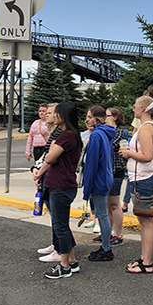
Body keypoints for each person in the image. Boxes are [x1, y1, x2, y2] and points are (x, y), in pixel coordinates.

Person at [33, 102, 82, 279]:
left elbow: (51, 157)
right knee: (63, 226)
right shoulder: (69, 134)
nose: (53, 115)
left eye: (56, 113)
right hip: (62, 184)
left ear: (63, 116)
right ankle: (73, 261)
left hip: (61, 186)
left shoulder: (66, 135)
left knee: (60, 226)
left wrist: (40, 170)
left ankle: (64, 266)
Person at [120, 96, 153, 273]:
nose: (133, 109)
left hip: (144, 178)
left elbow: (147, 156)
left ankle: (148, 262)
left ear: (143, 109)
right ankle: (144, 258)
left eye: (135, 106)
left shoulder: (145, 129)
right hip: (141, 178)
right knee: (143, 220)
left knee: (146, 220)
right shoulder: (148, 127)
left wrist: (129, 153)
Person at [83, 106, 116, 262]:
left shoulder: (96, 136)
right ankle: (105, 246)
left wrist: (86, 189)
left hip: (99, 180)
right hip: (105, 177)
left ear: (97, 118)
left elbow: (92, 164)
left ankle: (106, 249)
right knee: (103, 214)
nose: (87, 119)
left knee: (102, 214)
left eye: (89, 117)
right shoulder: (105, 133)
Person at [105, 107, 127, 246]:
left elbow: (111, 145)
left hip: (116, 169)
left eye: (107, 116)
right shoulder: (104, 131)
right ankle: (108, 232)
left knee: (114, 204)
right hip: (106, 170)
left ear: (115, 117)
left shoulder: (119, 132)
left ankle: (118, 234)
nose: (105, 118)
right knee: (107, 205)